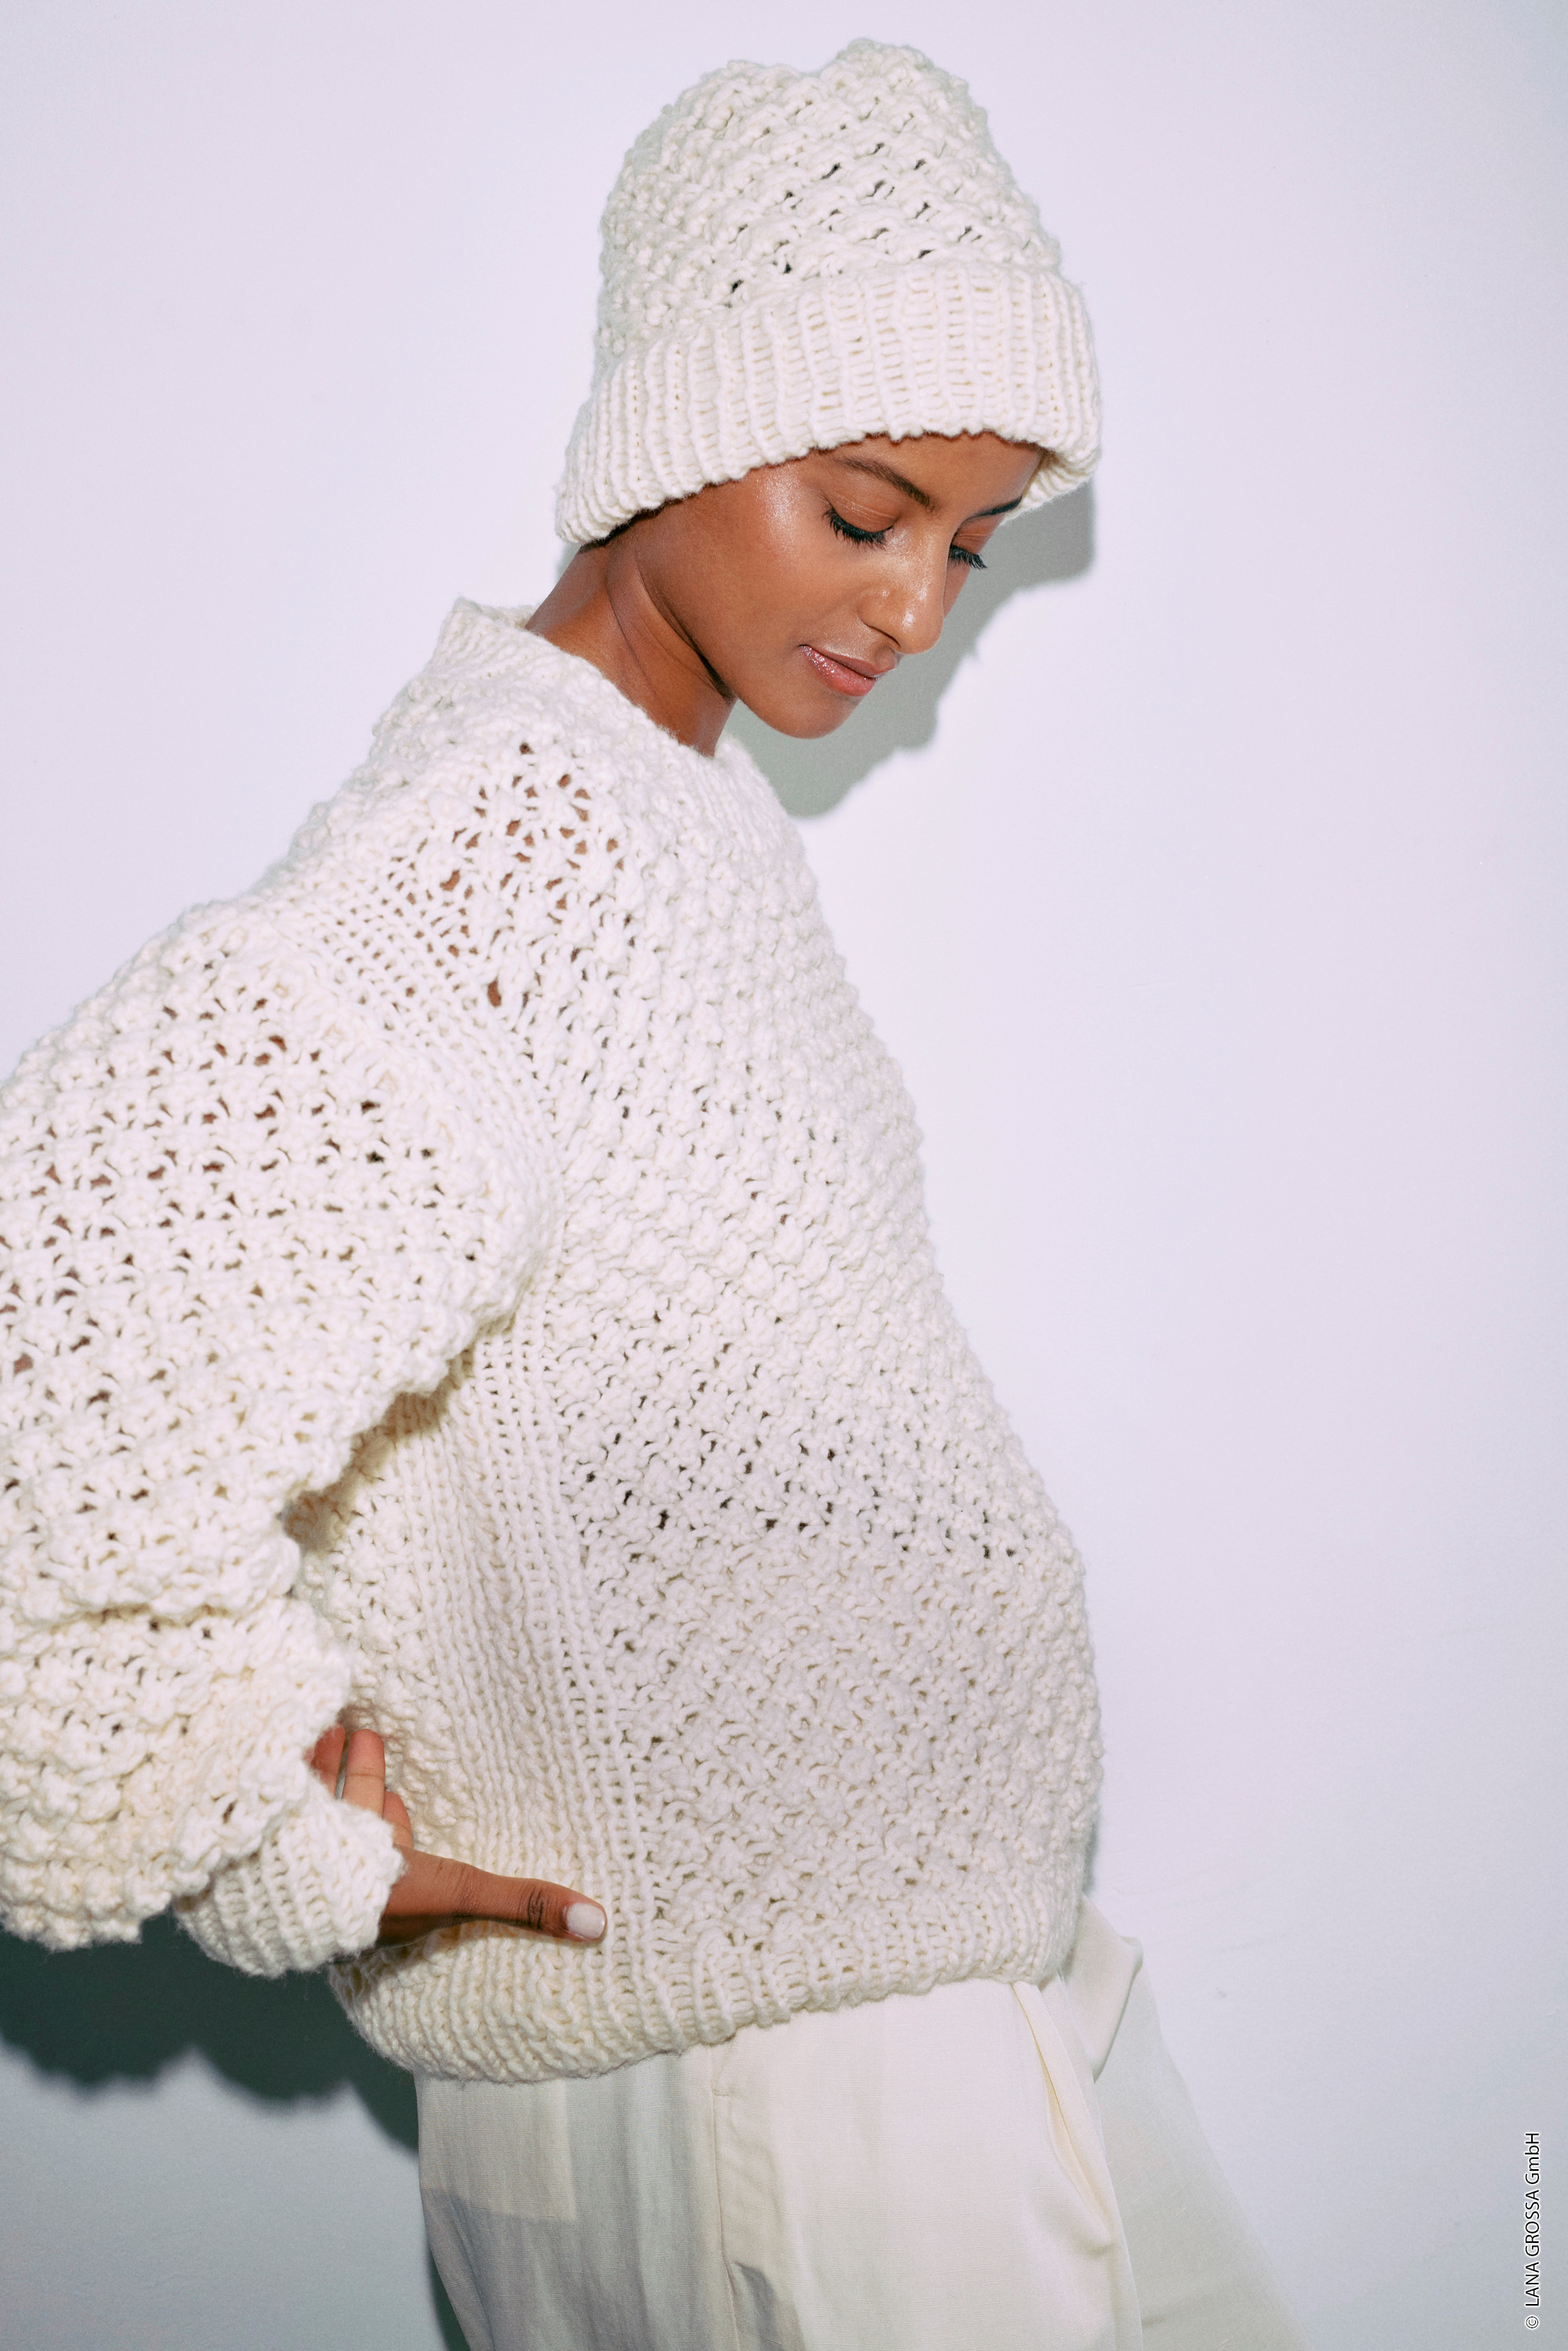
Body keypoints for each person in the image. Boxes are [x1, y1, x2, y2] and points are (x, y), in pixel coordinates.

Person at [0, 40, 1309, 2351]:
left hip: (893, 2021)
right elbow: (46, 1382)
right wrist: (268, 1834)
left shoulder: (657, 820)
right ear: (672, 436)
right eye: (864, 508)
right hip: (791, 2095)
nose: (914, 608)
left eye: (968, 546)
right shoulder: (501, 847)